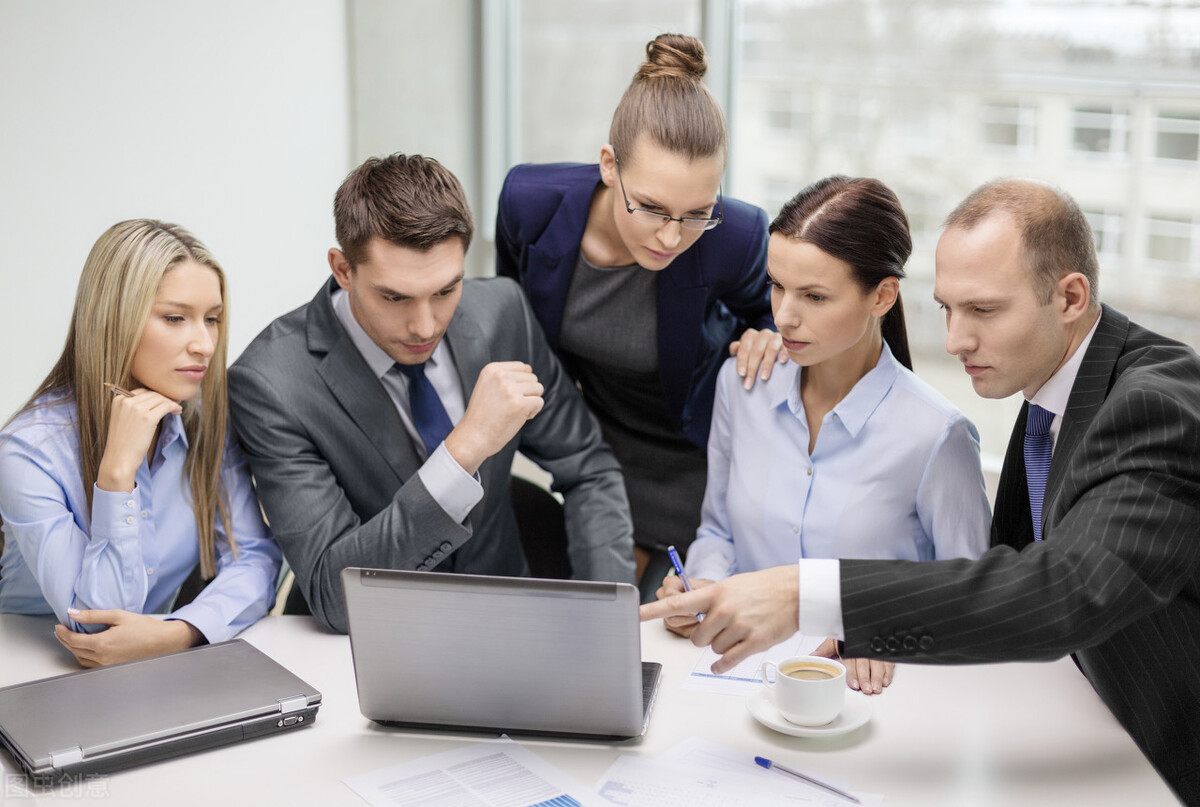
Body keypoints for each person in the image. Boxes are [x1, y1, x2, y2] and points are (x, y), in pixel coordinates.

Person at [642, 179, 1200, 804]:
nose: (956, 341)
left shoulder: (1152, 404)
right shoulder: (1049, 401)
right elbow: (1002, 575)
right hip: (1079, 732)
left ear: (1069, 296)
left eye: (984, 311)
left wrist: (814, 596)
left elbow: (1063, 589)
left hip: (1166, 760)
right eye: (946, 309)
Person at [228, 153, 635, 635]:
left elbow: (589, 467)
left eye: (445, 291)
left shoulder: (503, 312)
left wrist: (609, 616)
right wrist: (464, 451)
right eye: (394, 297)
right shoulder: (271, 382)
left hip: (509, 632)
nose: (425, 326)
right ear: (342, 269)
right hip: (362, 649)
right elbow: (332, 595)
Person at [658, 177, 991, 695]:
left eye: (813, 296)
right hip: (734, 683)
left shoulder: (936, 436)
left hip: (867, 700)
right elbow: (719, 532)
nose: (784, 315)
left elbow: (975, 606)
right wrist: (703, 586)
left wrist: (886, 633)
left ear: (882, 296)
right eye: (776, 285)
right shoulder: (741, 386)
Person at [496, 34, 782, 596]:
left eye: (697, 213)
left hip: (693, 457)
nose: (673, 236)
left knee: (671, 620)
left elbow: (776, 314)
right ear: (609, 165)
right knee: (592, 606)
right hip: (597, 445)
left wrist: (768, 336)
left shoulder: (737, 235)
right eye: (650, 207)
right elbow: (514, 314)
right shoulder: (529, 202)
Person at [0, 220, 282, 667]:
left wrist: (181, 632)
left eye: (212, 319)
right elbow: (93, 625)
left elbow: (256, 561)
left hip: (149, 667)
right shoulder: (29, 450)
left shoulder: (205, 419)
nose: (205, 344)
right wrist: (117, 474)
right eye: (175, 318)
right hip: (30, 671)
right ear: (114, 319)